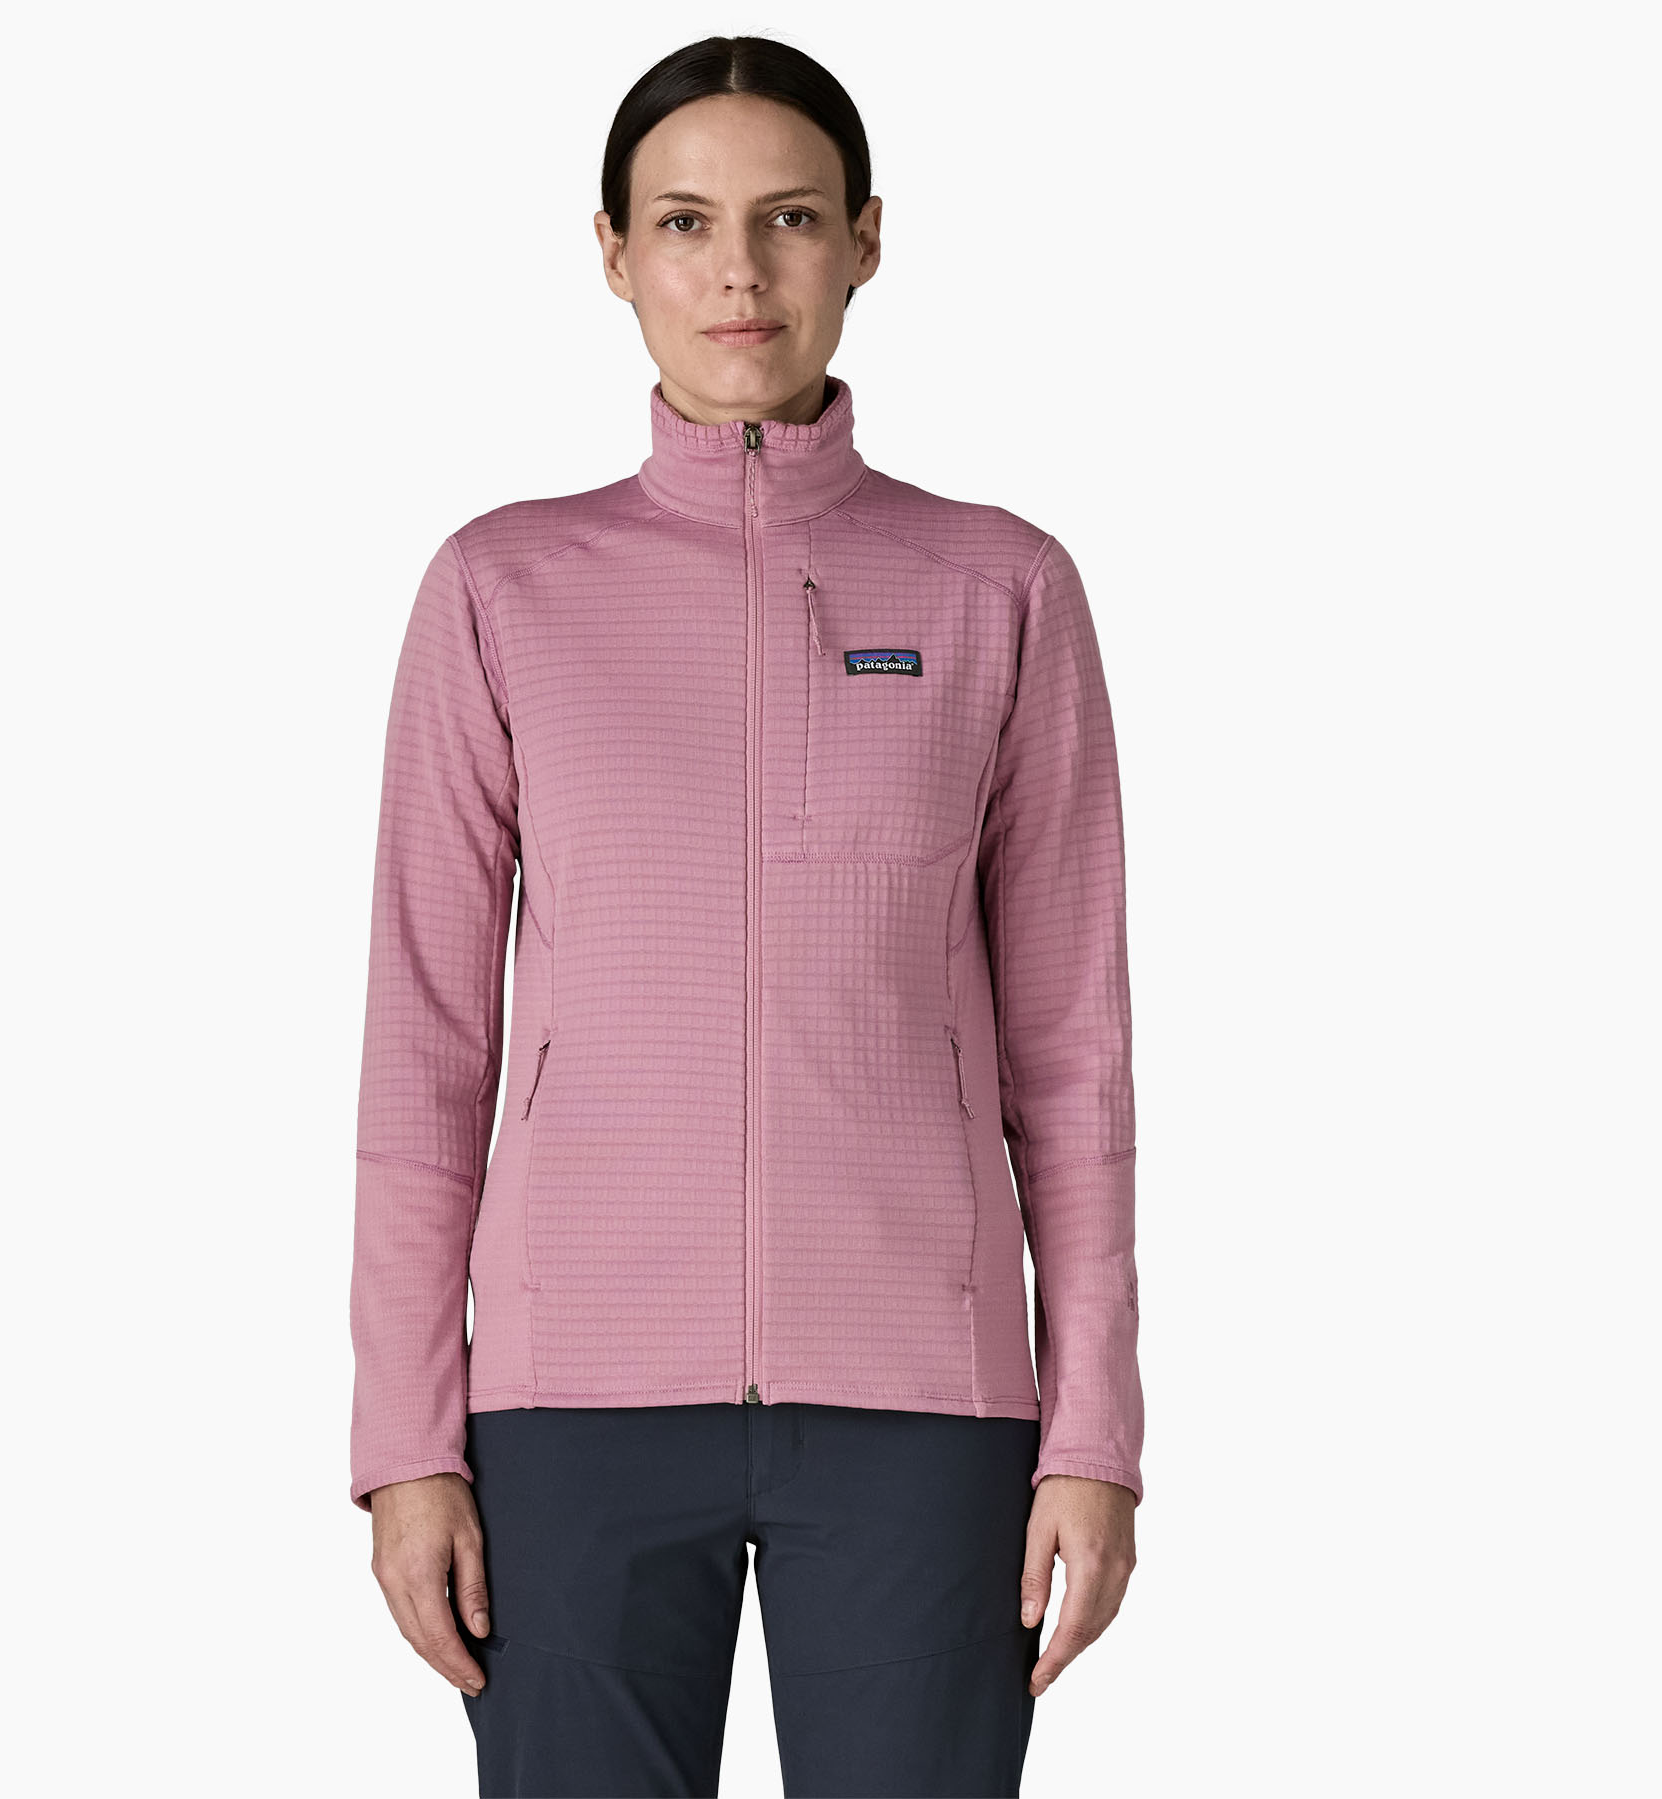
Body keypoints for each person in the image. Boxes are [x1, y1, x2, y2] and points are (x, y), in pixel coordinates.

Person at [349, 34, 1143, 1799]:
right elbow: (426, 1052)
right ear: (612, 252)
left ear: (866, 239)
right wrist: (406, 1441)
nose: (738, 272)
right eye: (684, 221)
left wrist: (1093, 1429)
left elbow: (1073, 1058)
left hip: (926, 1402)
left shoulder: (1001, 585)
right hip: (569, 1404)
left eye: (789, 217)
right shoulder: (502, 586)